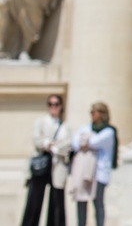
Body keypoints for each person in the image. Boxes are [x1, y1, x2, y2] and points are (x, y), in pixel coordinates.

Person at [20, 93, 71, 226]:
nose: (53, 107)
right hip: (41, 165)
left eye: (56, 104)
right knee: (34, 200)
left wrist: (55, 148)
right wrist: (50, 144)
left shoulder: (65, 126)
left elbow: (69, 144)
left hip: (57, 165)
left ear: (61, 106)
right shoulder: (41, 121)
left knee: (57, 201)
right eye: (50, 104)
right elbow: (36, 140)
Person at [70, 102, 117, 226]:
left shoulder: (109, 131)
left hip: (99, 172)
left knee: (98, 202)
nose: (91, 115)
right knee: (81, 200)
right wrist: (86, 141)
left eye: (93, 112)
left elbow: (94, 142)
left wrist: (86, 140)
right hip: (83, 171)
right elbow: (75, 142)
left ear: (101, 114)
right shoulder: (86, 127)